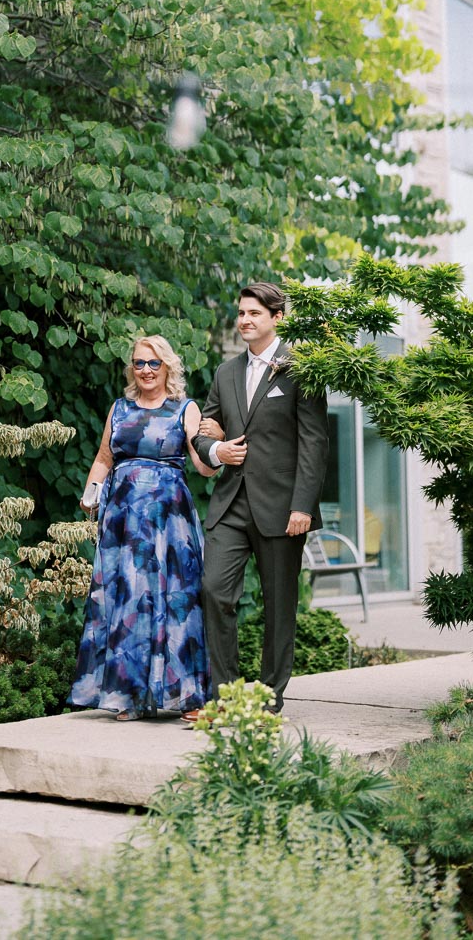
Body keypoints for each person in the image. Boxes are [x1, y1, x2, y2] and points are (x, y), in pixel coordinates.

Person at [185, 281, 328, 719]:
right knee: (213, 591)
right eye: (241, 313)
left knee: (279, 605)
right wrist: (216, 451)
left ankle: (268, 697)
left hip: (284, 508)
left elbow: (314, 442)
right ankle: (227, 697)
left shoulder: (302, 367)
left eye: (255, 314)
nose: (245, 320)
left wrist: (302, 505)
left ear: (277, 318)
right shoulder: (225, 373)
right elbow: (205, 428)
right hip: (231, 503)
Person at [68, 336, 215, 721]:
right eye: (139, 363)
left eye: (153, 363)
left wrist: (217, 448)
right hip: (122, 519)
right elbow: (104, 459)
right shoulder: (119, 409)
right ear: (131, 368)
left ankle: (185, 697)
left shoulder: (186, 408)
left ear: (167, 367)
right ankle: (126, 695)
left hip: (169, 520)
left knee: (172, 599)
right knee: (128, 598)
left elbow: (203, 465)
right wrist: (90, 495)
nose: (146, 370)